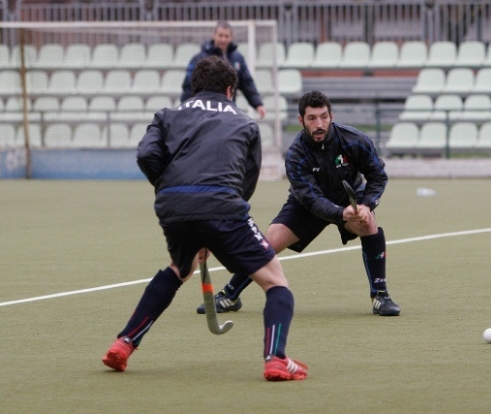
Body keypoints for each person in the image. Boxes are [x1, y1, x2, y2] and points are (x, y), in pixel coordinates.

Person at [102, 56, 307, 381]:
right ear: (230, 90)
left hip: (173, 206)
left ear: (194, 87)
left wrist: (172, 190)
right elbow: (246, 181)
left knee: (179, 269)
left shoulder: (167, 114)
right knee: (275, 281)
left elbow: (145, 155)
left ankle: (125, 342)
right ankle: (276, 358)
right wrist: (217, 220)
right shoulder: (245, 123)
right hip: (223, 206)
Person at [197, 90, 401, 317]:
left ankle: (381, 296)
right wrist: (339, 213)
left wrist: (365, 204)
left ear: (331, 116)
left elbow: (378, 176)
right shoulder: (296, 154)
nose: (319, 123)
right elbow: (310, 198)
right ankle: (229, 295)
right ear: (301, 120)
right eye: (312, 118)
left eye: (324, 116)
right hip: (306, 205)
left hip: (348, 199)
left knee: (368, 223)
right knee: (268, 243)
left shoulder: (355, 140)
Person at [180, 20, 266, 119]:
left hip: (227, 113)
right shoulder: (199, 59)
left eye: (226, 36)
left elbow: (247, 83)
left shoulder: (237, 58)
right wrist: (186, 109)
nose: (223, 39)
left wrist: (258, 104)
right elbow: (188, 85)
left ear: (231, 37)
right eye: (220, 35)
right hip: (203, 115)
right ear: (214, 35)